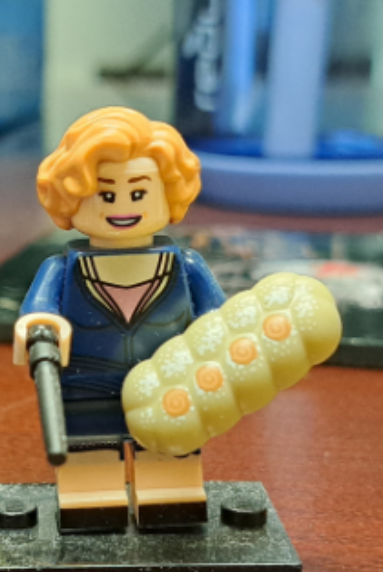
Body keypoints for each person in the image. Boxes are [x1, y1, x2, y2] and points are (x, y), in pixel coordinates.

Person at [13, 107, 226, 533]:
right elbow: (36, 315)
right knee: (90, 460)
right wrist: (43, 329)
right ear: (71, 197)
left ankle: (171, 499)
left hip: (171, 388)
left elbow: (218, 319)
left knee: (169, 460)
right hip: (88, 387)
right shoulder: (62, 270)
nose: (123, 207)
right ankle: (91, 502)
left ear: (169, 193)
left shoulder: (185, 266)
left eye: (140, 192)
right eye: (106, 195)